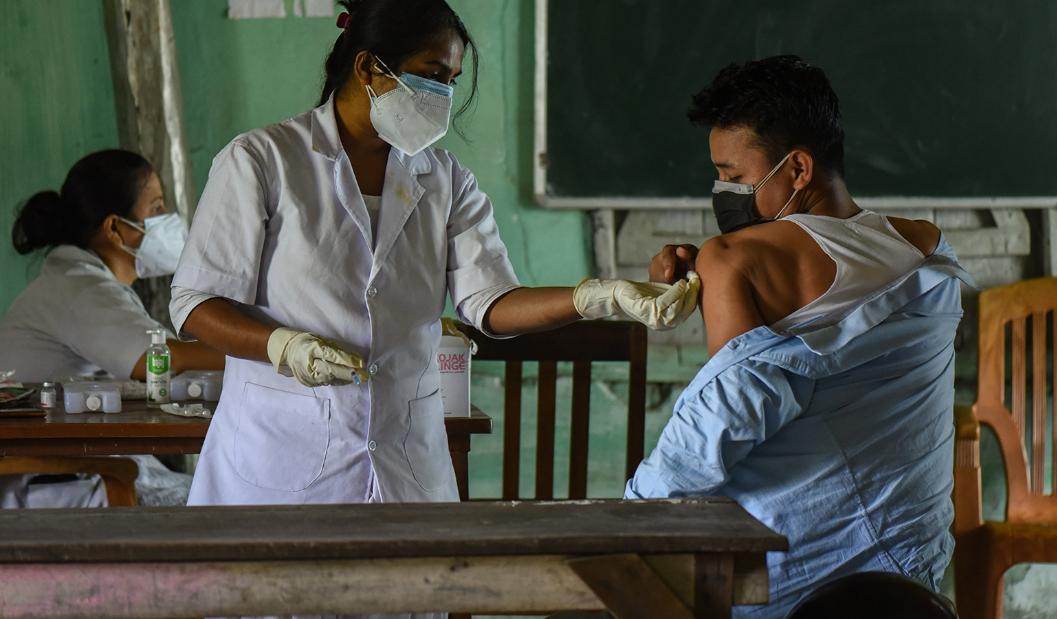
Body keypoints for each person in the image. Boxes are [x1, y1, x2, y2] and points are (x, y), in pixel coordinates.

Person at [170, 0, 698, 521]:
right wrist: (281, 346)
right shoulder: (262, 161)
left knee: (407, 597)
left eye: (451, 79)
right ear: (368, 68)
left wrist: (597, 296)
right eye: (432, 74)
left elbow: (491, 303)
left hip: (406, 464)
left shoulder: (445, 179)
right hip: (281, 459)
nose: (442, 94)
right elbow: (195, 304)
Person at [631, 55, 974, 617]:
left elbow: (725, 420)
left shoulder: (733, 259)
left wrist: (631, 514)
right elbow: (824, 364)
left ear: (797, 169)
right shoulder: (927, 247)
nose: (722, 191)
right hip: (908, 577)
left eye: (735, 177)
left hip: (790, 577)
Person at [0, 149, 224, 507]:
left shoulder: (84, 281)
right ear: (116, 229)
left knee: (219, 498)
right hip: (60, 482)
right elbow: (161, 358)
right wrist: (266, 348)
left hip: (85, 469)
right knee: (228, 506)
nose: (167, 219)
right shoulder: (79, 288)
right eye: (156, 208)